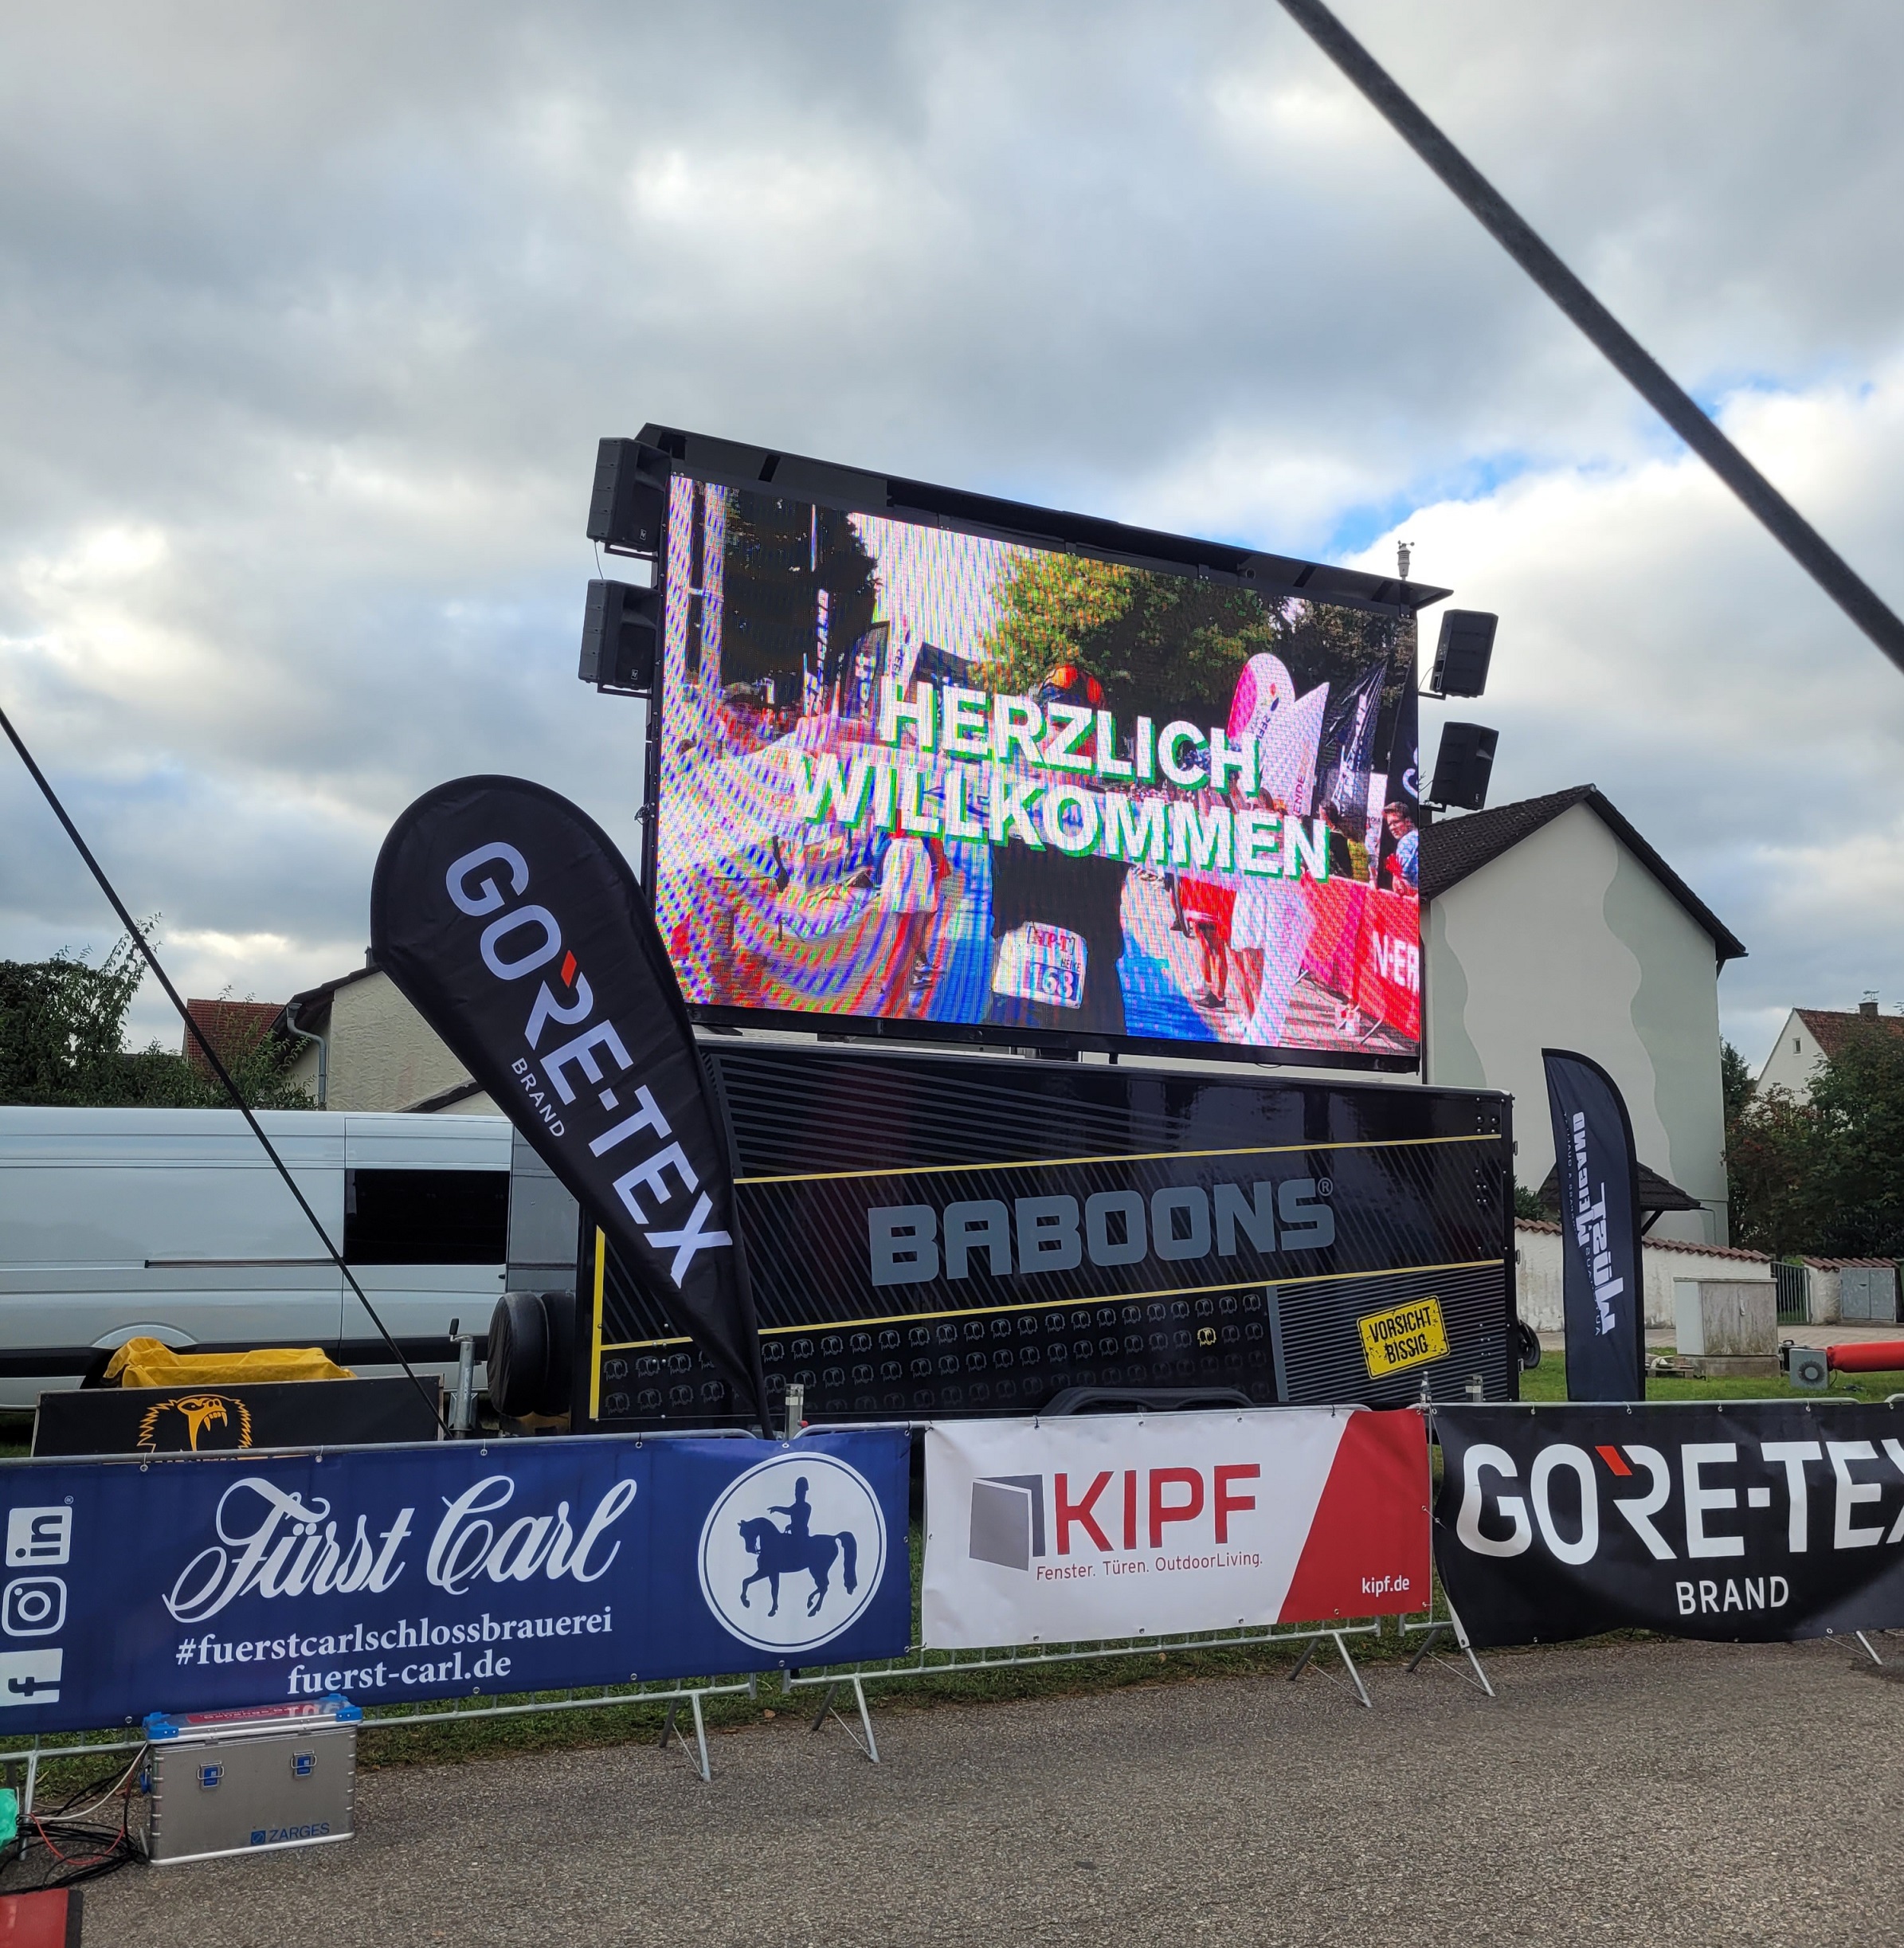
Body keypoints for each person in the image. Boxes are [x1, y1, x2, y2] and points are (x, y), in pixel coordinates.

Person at [1381, 802, 1419, 892]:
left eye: (1396, 822)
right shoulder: (1417, 836)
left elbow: (1402, 882)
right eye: (1390, 824)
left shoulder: (1406, 841)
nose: (1392, 828)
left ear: (1407, 822)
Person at [770, 1477, 813, 1541]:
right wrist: (776, 1508)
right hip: (794, 1534)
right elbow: (788, 1510)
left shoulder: (806, 1507)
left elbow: (801, 1524)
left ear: (804, 1493)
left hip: (801, 1537)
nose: (796, 1494)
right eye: (796, 1492)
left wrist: (792, 1526)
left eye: (799, 1492)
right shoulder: (796, 1506)